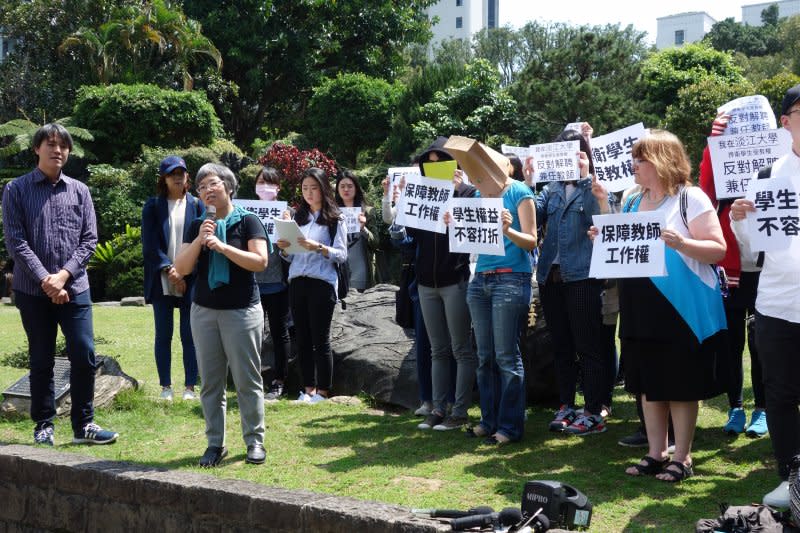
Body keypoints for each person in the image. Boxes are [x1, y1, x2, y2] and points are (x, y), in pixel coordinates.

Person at [600, 130, 726, 482]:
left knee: (680, 383)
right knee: (647, 383)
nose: (634, 165)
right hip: (640, 307)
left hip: (681, 309)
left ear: (662, 161)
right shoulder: (629, 201)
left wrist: (682, 242)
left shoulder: (691, 198)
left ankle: (682, 456)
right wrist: (604, 238)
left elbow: (718, 249)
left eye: (641, 159)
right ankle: (656, 452)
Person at [2, 123, 118, 446]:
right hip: (32, 290)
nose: (58, 150)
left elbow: (90, 240)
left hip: (76, 286)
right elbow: (16, 242)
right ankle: (44, 425)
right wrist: (46, 280)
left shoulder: (79, 190)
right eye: (50, 144)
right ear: (36, 148)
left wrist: (64, 276)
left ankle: (84, 424)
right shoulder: (16, 189)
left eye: (63, 146)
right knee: (41, 359)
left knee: (83, 353)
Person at [730, 84, 800, 506]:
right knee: (780, 393)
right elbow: (752, 256)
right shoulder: (767, 177)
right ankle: (791, 475)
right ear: (786, 121)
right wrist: (740, 221)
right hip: (777, 304)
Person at [174, 163, 269, 467]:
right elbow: (183, 268)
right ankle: (215, 443)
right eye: (201, 187)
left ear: (229, 187)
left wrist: (223, 247)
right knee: (211, 382)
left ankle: (255, 441)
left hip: (242, 311)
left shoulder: (249, 221)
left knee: (246, 379)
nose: (206, 191)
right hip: (203, 311)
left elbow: (260, 261)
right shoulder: (197, 225)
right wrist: (202, 241)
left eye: (212, 184)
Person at [533, 128, 617, 436]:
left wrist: (585, 177)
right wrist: (530, 180)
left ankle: (593, 409)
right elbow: (534, 216)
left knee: (588, 345)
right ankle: (566, 404)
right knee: (561, 346)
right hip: (550, 278)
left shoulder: (595, 186)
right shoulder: (550, 188)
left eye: (576, 150)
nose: (568, 155)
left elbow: (604, 223)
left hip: (582, 276)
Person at [455, 142, 537, 444]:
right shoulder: (478, 196)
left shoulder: (519, 193)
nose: (478, 185)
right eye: (475, 179)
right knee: (484, 356)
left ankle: (510, 426)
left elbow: (531, 241)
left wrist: (508, 230)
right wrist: (456, 225)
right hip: (481, 281)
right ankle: (489, 420)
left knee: (506, 355)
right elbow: (472, 240)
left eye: (480, 178)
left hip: (511, 280)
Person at [699, 113, 766, 437]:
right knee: (731, 342)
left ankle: (763, 408)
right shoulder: (722, 178)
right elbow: (706, 186)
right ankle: (736, 406)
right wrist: (715, 143)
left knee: (761, 341)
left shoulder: (775, 161)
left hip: (766, 266)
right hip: (730, 268)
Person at [403, 138, 476, 432]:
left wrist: (458, 193)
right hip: (425, 283)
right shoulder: (421, 194)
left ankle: (459, 411)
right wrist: (401, 201)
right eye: (428, 163)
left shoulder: (468, 193)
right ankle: (437, 407)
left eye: (441, 161)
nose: (434, 167)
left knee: (461, 348)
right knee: (438, 349)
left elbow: (477, 225)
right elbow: (410, 235)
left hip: (455, 280)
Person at [276, 167, 348, 404]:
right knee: (302, 338)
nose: (308, 193)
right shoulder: (299, 216)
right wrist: (284, 248)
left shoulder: (335, 218)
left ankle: (324, 391)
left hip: (322, 282)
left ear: (323, 188)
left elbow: (341, 254)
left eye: (313, 188)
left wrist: (316, 247)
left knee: (320, 338)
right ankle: (307, 389)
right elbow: (289, 256)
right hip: (297, 280)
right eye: (305, 188)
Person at [141, 156, 203, 402]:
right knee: (163, 334)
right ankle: (165, 386)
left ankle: (190, 387)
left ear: (188, 176)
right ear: (163, 179)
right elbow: (150, 246)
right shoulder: (153, 206)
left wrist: (185, 272)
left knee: (190, 335)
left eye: (181, 173)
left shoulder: (197, 205)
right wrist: (170, 270)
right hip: (162, 279)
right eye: (171, 174)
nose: (177, 177)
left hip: (191, 280)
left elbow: (202, 243)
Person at [253, 166, 292, 401]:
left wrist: (286, 228)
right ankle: (252, 379)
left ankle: (279, 381)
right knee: (251, 334)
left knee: (279, 333)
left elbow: (293, 252)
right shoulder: (247, 212)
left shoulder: (288, 212)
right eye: (260, 183)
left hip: (278, 283)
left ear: (278, 187)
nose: (265, 188)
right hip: (252, 283)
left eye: (270, 183)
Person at [335, 170, 377, 292]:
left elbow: (376, 243)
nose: (346, 189)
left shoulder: (368, 211)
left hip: (362, 272)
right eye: (342, 186)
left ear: (356, 188)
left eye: (350, 186)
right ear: (337, 189)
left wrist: (363, 228)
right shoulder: (332, 213)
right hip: (339, 272)